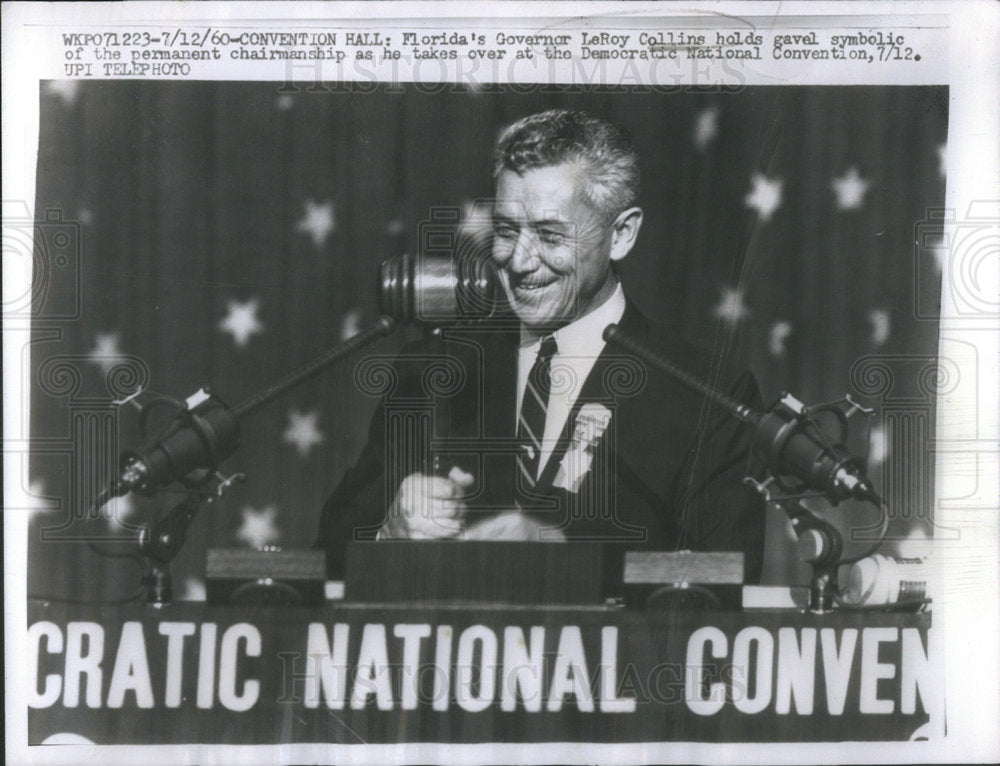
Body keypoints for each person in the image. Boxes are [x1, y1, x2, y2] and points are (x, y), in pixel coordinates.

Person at [315, 109, 765, 581]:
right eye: (507, 231)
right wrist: (390, 532)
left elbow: (725, 581)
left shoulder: (707, 394)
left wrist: (557, 551)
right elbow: (326, 553)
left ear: (622, 234)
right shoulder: (432, 370)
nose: (519, 261)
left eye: (550, 235)